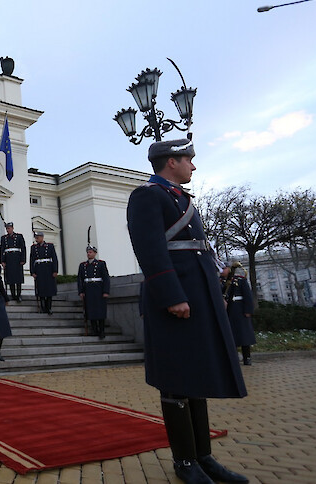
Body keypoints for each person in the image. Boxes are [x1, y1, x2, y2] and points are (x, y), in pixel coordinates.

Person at [126, 138, 248, 484]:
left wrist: (214, 289)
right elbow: (149, 251)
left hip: (197, 296)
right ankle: (185, 462)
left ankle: (203, 456)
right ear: (171, 162)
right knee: (176, 380)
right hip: (174, 299)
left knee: (196, 376)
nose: (193, 166)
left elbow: (199, 251)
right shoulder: (147, 196)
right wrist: (171, 296)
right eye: (188, 160)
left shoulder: (181, 199)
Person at [78, 244, 111, 339]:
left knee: (100, 311)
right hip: (88, 289)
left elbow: (106, 278)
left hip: (98, 289)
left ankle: (101, 330)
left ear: (95, 253)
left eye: (90, 252)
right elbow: (80, 279)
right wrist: (81, 291)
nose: (88, 254)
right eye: (88, 252)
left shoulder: (101, 264)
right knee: (90, 311)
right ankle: (94, 329)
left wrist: (106, 291)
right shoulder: (83, 265)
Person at [225, 270, 255, 366]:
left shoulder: (240, 280)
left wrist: (248, 310)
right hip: (227, 311)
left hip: (240, 311)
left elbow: (248, 295)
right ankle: (233, 357)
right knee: (230, 336)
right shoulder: (221, 281)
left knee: (244, 335)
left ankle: (247, 357)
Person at [29, 231, 58, 314]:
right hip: (39, 269)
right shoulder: (34, 248)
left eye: (38, 237)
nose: (36, 239)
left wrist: (55, 270)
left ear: (42, 237)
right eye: (36, 237)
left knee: (49, 289)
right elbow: (32, 259)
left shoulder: (50, 246)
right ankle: (42, 307)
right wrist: (32, 271)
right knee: (40, 289)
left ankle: (49, 307)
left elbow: (54, 259)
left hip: (48, 269)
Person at [0, 221, 27, 302]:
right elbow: (2, 250)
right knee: (10, 278)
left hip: (17, 259)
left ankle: (18, 295)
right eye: (7, 228)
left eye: (9, 228)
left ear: (12, 228)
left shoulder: (19, 236)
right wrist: (2, 261)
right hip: (8, 259)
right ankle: (13, 295)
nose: (8, 230)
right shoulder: (4, 238)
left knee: (18, 278)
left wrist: (23, 259)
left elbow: (23, 248)